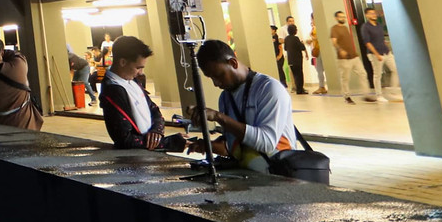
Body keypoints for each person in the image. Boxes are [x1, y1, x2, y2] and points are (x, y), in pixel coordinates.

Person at [196, 39, 298, 174]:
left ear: (233, 63)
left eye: (219, 75)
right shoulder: (225, 98)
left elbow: (267, 143)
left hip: (279, 177)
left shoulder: (268, 88)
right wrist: (204, 145)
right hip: (248, 180)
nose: (216, 83)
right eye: (211, 78)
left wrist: (218, 117)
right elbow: (235, 147)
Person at [100, 36, 184, 151]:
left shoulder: (132, 80)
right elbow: (124, 139)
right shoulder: (113, 90)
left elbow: (154, 109)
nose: (141, 73)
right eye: (138, 67)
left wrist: (156, 131)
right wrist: (168, 142)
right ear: (123, 62)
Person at [327, 9, 368, 102]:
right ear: (336, 18)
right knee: (345, 78)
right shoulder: (334, 29)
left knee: (363, 74)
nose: (342, 18)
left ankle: (366, 95)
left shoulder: (345, 28)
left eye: (343, 16)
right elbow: (334, 42)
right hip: (344, 59)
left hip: (354, 56)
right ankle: (346, 96)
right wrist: (340, 50)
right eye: (340, 17)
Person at [359, 7, 398, 101]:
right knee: (377, 75)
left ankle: (394, 92)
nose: (373, 15)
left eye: (374, 13)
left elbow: (382, 38)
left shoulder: (379, 25)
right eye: (371, 13)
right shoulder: (365, 27)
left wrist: (386, 47)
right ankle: (379, 95)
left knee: (395, 70)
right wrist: (376, 54)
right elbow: (367, 43)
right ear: (367, 15)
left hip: (386, 52)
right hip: (375, 54)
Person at [283, 23, 308, 95]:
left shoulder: (286, 39)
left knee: (295, 75)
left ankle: (298, 88)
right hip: (297, 59)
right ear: (294, 31)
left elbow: (285, 48)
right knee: (299, 74)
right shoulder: (296, 38)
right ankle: (300, 89)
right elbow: (302, 47)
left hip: (290, 60)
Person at [67, 45, 92, 110]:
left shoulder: (71, 57)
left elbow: (71, 70)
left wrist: (70, 78)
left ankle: (93, 98)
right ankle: (75, 101)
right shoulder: (66, 58)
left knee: (84, 82)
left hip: (84, 67)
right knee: (74, 83)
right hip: (78, 69)